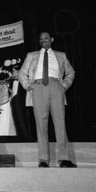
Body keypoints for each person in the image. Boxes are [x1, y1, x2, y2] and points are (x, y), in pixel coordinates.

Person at [18, 31, 76, 168]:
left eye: (46, 38)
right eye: (41, 39)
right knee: (41, 124)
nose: (43, 40)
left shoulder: (61, 55)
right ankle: (43, 159)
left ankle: (64, 159)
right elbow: (22, 73)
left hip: (56, 87)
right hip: (38, 87)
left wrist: (64, 86)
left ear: (52, 39)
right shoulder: (31, 55)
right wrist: (28, 86)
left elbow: (71, 72)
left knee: (60, 123)